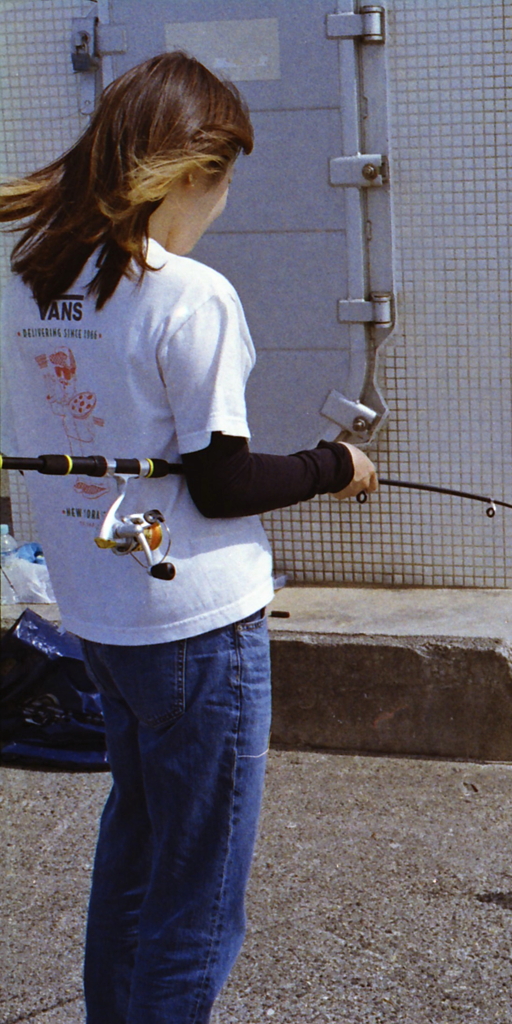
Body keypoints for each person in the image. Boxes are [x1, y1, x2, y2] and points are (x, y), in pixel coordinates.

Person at [0, 52, 377, 1023]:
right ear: (188, 172)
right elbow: (222, 482)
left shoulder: (31, 278)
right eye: (224, 179)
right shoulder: (190, 295)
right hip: (197, 625)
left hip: (98, 615)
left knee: (135, 848)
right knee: (199, 895)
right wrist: (334, 466)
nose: (223, 205)